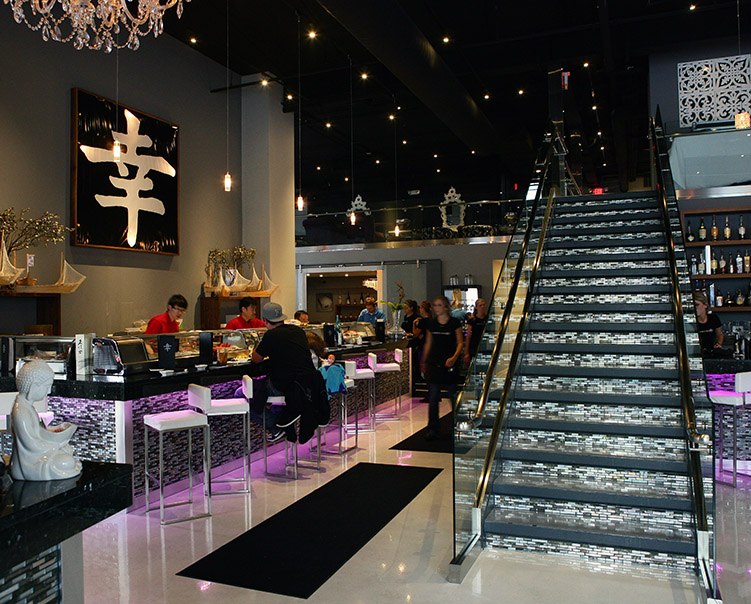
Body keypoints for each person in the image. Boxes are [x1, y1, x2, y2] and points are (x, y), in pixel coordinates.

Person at [251, 302, 321, 442]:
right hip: (306, 384)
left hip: (285, 385)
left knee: (244, 393)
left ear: (265, 320)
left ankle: (276, 427)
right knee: (264, 390)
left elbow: (256, 359)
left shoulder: (271, 335)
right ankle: (285, 419)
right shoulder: (298, 331)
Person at [420, 295, 463, 440]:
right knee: (433, 397)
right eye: (435, 305)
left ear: (445, 307)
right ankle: (433, 429)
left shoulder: (454, 323)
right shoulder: (431, 324)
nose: (436, 308)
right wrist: (423, 361)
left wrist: (454, 358)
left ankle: (458, 426)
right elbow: (428, 343)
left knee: (453, 396)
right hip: (434, 364)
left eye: (439, 305)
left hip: (449, 364)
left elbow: (460, 342)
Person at [463, 298, 488, 365]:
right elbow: (468, 336)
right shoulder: (472, 321)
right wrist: (466, 352)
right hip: (474, 347)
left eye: (483, 305)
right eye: (480, 305)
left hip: (485, 346)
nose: (482, 307)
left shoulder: (487, 319)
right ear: (476, 307)